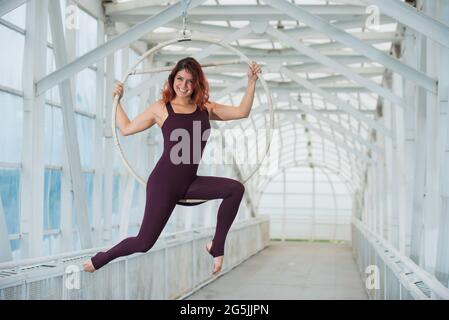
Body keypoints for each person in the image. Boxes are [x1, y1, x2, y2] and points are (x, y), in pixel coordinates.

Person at [83, 57, 261, 276]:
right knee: (144, 242)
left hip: (190, 182)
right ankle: (100, 259)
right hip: (163, 183)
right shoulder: (161, 108)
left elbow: (242, 112)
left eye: (189, 81)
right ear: (172, 78)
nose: (184, 86)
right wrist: (116, 101)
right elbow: (127, 128)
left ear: (197, 83)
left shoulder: (206, 108)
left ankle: (217, 247)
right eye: (180, 79)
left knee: (235, 189)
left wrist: (251, 82)